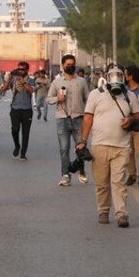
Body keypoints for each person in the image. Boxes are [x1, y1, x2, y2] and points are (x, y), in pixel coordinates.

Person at [77, 65, 139, 228]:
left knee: (118, 182)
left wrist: (131, 120)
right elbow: (88, 118)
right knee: (102, 182)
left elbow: (138, 116)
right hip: (100, 145)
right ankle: (103, 210)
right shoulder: (95, 95)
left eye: (120, 76)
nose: (117, 79)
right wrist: (83, 141)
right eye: (114, 76)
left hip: (122, 146)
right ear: (107, 77)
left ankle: (121, 214)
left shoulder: (130, 95)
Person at [49, 54, 90, 187]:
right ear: (62, 65)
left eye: (72, 64)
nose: (70, 66)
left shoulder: (82, 82)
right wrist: (57, 99)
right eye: (68, 64)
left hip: (78, 118)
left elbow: (88, 99)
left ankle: (81, 170)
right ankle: (65, 174)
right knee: (64, 148)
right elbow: (48, 99)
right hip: (62, 119)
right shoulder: (57, 83)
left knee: (81, 148)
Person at [0, 61, 35, 159]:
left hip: (27, 109)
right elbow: (3, 89)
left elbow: (31, 90)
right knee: (14, 130)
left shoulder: (31, 80)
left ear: (27, 70)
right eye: (18, 69)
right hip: (15, 108)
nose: (20, 71)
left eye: (22, 69)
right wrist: (9, 78)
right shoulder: (14, 80)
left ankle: (23, 152)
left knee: (25, 132)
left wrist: (23, 82)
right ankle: (17, 145)